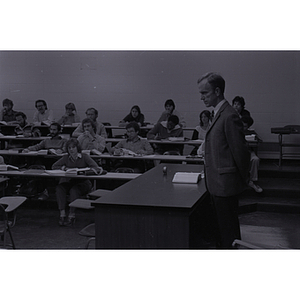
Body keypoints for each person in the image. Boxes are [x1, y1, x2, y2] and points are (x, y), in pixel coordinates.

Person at [197, 72, 250, 249]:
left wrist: (241, 180)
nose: (202, 97)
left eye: (205, 93)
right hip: (217, 184)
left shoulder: (229, 115)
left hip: (225, 185)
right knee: (222, 232)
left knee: (229, 235)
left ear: (217, 91)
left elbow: (241, 152)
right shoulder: (218, 113)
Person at [52, 138, 103, 226]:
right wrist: (64, 168)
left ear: (77, 148)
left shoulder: (84, 157)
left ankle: (72, 215)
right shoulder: (65, 158)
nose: (71, 150)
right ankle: (62, 214)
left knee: (74, 190)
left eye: (73, 147)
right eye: (69, 148)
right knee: (60, 188)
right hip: (70, 181)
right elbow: (54, 166)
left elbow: (96, 167)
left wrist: (86, 171)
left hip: (84, 183)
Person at [241, 115, 263, 193]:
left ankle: (253, 181)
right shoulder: (236, 132)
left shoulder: (251, 132)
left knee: (255, 159)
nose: (243, 127)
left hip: (249, 151)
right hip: (239, 152)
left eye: (245, 126)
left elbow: (260, 141)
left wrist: (254, 139)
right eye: (242, 125)